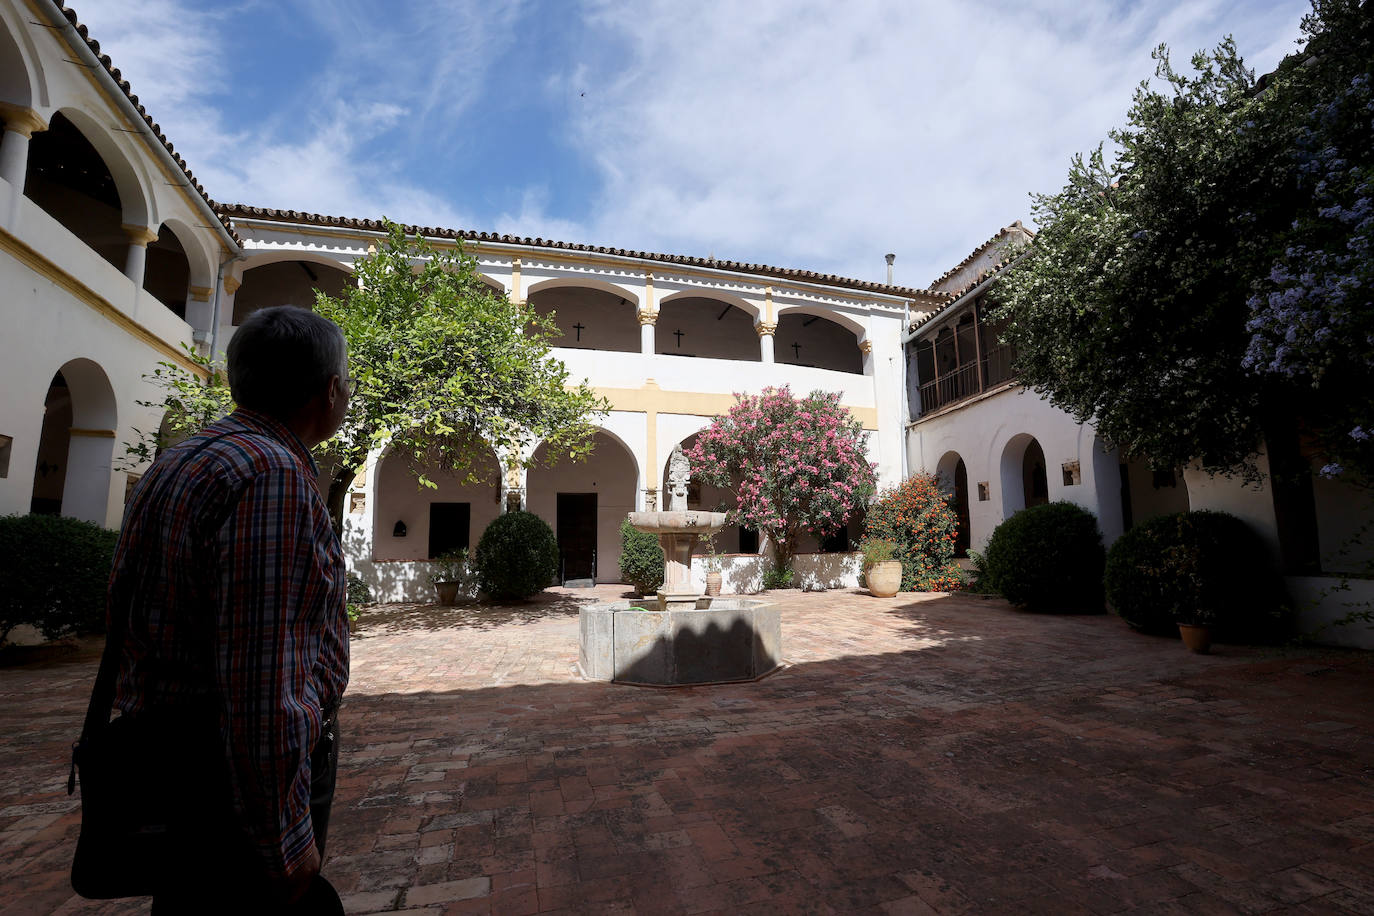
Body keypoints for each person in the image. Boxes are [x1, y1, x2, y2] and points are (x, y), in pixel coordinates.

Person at [107, 306, 352, 913]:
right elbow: (262, 682)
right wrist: (283, 841)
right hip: (224, 785)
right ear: (328, 391)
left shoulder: (183, 459)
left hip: (170, 760)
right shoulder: (272, 476)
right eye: (346, 383)